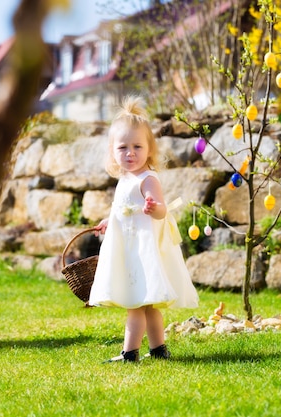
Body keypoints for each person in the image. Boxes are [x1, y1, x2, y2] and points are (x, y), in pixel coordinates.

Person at [88, 96, 198, 363]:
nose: (130, 153)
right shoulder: (125, 178)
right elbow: (121, 207)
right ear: (113, 151)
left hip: (141, 250)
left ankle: (130, 353)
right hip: (128, 247)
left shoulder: (147, 178)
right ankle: (158, 350)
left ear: (149, 149)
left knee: (135, 305)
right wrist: (108, 220)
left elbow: (161, 210)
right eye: (122, 147)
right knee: (145, 305)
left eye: (137, 146)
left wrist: (154, 208)